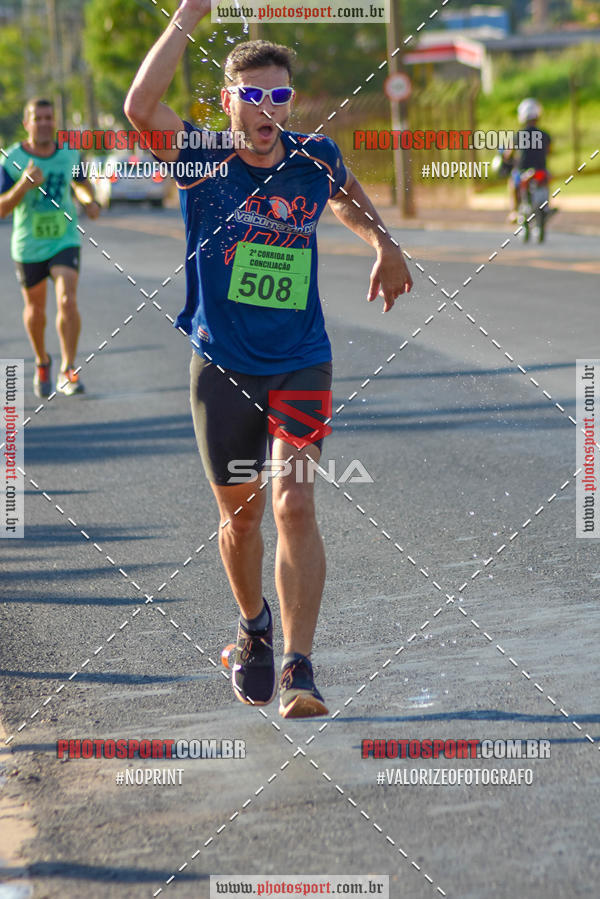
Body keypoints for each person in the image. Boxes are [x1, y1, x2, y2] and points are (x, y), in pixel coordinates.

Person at [125, 0, 413, 718]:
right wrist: (190, 13)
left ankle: (299, 667)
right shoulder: (200, 160)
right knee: (243, 518)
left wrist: (383, 242)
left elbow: (344, 195)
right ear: (228, 102)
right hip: (222, 363)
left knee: (292, 500)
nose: (267, 108)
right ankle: (253, 624)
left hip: (300, 359)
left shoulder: (314, 156)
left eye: (278, 95)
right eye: (252, 95)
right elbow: (140, 106)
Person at [0, 98, 100, 397]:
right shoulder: (12, 159)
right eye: (37, 118)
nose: (44, 123)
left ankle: (68, 369)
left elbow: (80, 183)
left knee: (68, 299)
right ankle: (42, 360)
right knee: (36, 309)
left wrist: (89, 201)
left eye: (48, 117)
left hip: (64, 238)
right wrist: (23, 186)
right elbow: (2, 208)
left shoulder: (69, 152)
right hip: (28, 244)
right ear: (27, 123)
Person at [504, 98, 552, 222]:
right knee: (546, 180)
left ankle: (514, 211)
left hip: (523, 170)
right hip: (541, 170)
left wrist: (508, 158)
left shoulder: (518, 135)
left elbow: (508, 154)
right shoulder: (545, 135)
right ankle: (546, 206)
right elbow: (550, 151)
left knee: (512, 183)